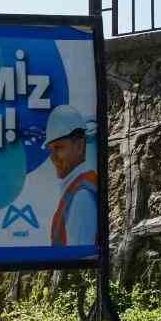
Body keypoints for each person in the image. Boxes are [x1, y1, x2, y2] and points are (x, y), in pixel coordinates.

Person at [44, 105, 97, 247]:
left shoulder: (81, 197)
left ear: (80, 147)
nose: (53, 157)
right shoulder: (75, 188)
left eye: (59, 148)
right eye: (51, 149)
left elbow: (81, 252)